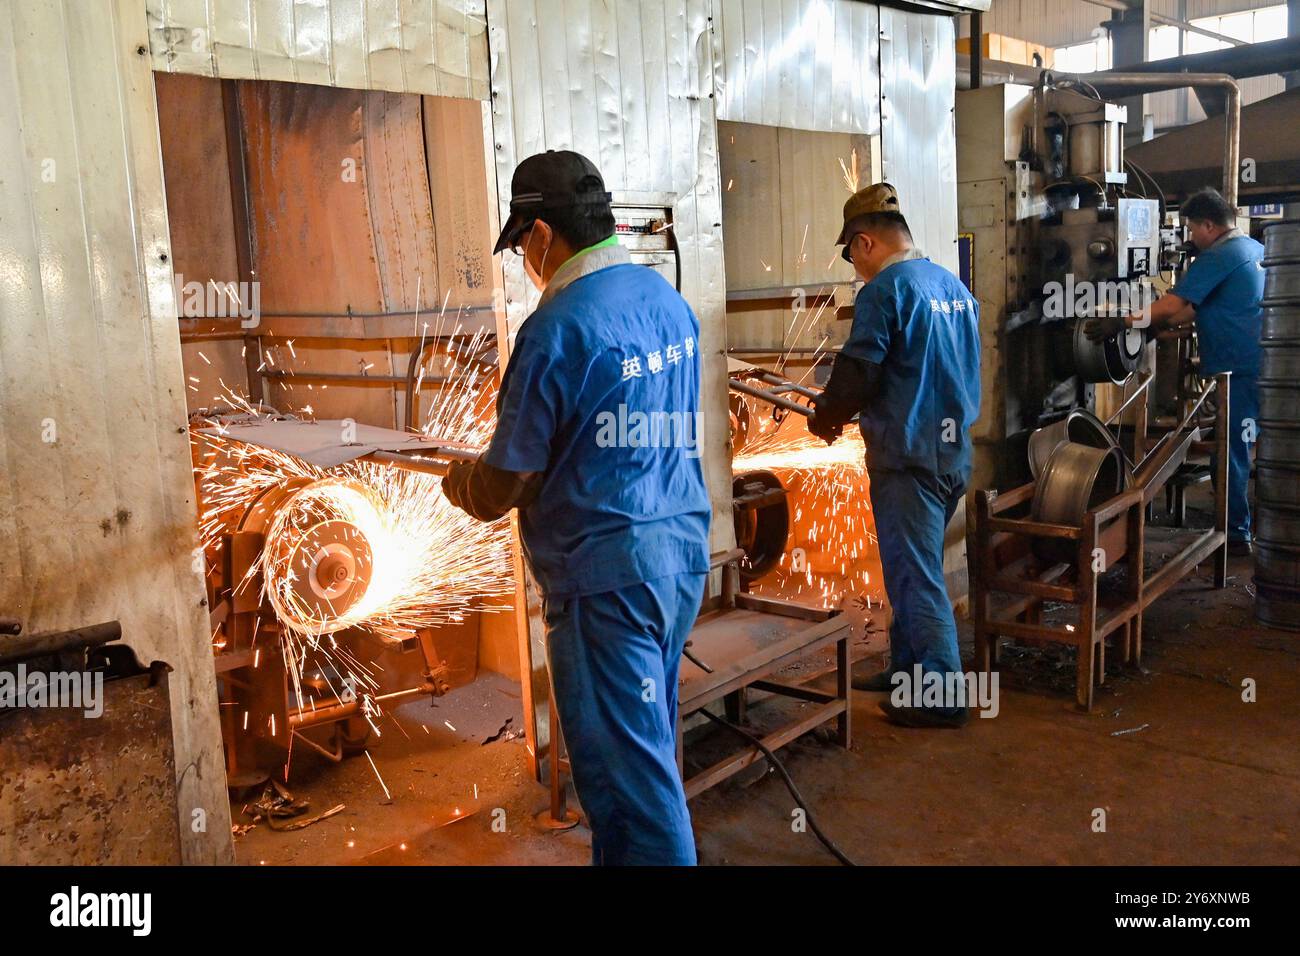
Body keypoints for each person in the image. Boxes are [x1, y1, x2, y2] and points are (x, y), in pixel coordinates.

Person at [440, 149, 711, 864]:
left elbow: (507, 480)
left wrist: (459, 481)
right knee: (645, 752)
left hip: (604, 580)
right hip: (678, 559)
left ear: (538, 235)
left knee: (628, 788)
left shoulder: (555, 329)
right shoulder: (666, 304)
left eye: (523, 246)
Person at [806, 183, 981, 729]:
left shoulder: (884, 291)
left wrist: (828, 415)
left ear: (862, 244)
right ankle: (906, 671)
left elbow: (860, 370)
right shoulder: (950, 284)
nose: (855, 269)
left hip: (909, 461)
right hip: (952, 457)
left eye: (851, 256)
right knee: (912, 570)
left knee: (917, 577)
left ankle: (941, 694)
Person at [1086, 186, 1263, 556]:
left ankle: (1235, 535)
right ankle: (1251, 527)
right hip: (1262, 367)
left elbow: (1171, 304)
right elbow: (1190, 311)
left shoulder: (1219, 255)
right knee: (1250, 447)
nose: (1191, 238)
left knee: (1230, 452)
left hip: (1239, 371)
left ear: (1210, 225)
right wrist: (1148, 328)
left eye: (1193, 229)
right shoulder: (1252, 250)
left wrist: (1123, 321)